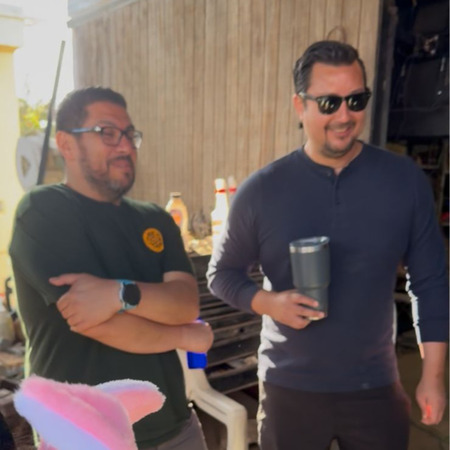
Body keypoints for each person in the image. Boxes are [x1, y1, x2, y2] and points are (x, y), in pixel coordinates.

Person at [207, 40, 449, 450]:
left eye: (356, 100)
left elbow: (430, 282)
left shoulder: (402, 180)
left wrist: (433, 376)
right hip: (289, 387)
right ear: (299, 105)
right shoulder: (263, 190)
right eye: (329, 103)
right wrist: (269, 302)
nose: (344, 115)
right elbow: (221, 274)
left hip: (376, 386)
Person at [9, 87, 214, 450]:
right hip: (82, 435)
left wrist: (121, 294)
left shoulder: (155, 218)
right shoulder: (43, 210)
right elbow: (93, 322)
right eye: (107, 132)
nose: (125, 146)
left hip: (174, 428)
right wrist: (184, 335)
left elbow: (185, 303)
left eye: (130, 134)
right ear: (66, 144)